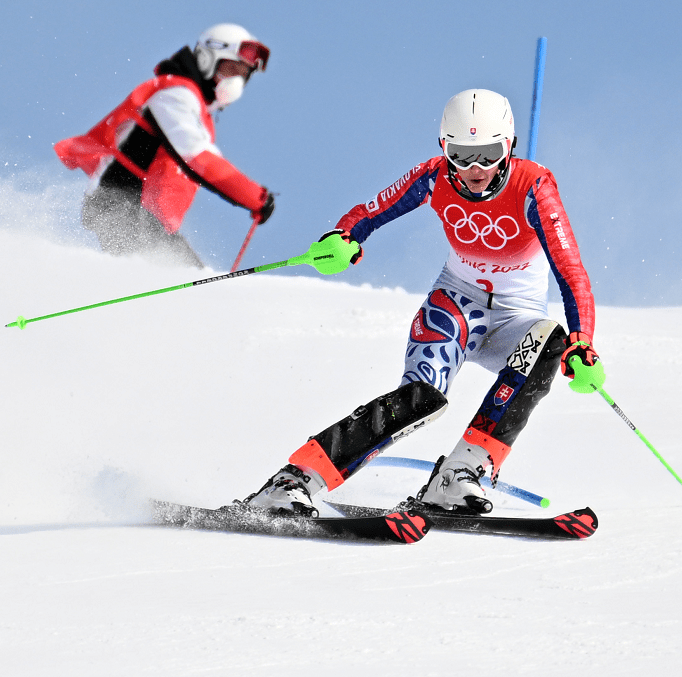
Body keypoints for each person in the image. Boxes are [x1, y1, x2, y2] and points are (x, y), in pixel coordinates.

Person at [235, 88, 606, 517]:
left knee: (551, 344)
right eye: (461, 155)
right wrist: (344, 238)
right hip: (456, 307)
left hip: (515, 320)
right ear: (443, 149)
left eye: (488, 153)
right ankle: (294, 480)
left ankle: (460, 475)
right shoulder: (432, 177)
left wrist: (583, 342)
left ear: (509, 147)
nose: (475, 169)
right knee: (422, 398)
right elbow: (369, 212)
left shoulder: (533, 187)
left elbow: (571, 271)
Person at [54, 24, 275, 268]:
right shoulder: (175, 94)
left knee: (190, 280)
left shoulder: (198, 110)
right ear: (206, 59)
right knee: (185, 279)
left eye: (242, 75)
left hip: (146, 218)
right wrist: (255, 197)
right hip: (120, 205)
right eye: (230, 69)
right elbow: (200, 159)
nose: (234, 82)